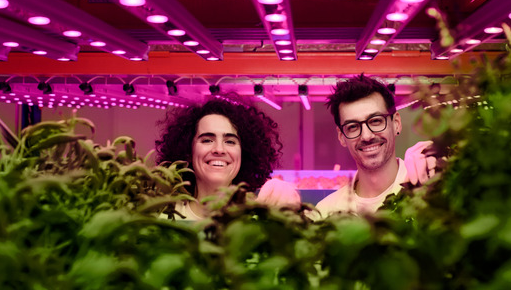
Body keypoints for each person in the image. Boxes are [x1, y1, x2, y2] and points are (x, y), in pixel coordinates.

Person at [155, 96, 300, 220]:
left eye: (230, 141)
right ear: (188, 151)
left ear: (244, 154)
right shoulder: (163, 217)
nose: (219, 149)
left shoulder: (258, 218)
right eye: (207, 140)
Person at [313, 75, 436, 218]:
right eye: (353, 126)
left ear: (396, 123)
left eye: (376, 121)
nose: (366, 136)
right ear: (341, 136)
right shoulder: (325, 212)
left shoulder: (427, 188)